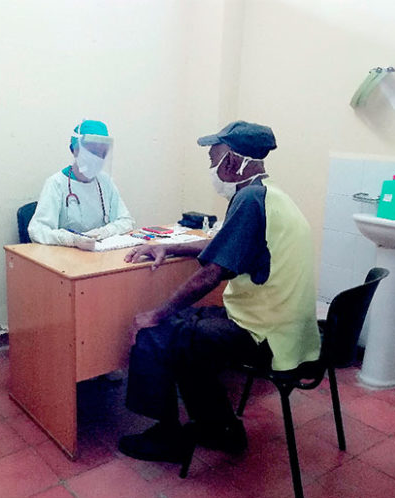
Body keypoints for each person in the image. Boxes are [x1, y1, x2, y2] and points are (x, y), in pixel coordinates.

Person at [117, 120, 320, 465]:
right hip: (287, 326)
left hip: (265, 335)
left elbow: (211, 274)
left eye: (213, 161)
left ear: (231, 162)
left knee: (158, 333)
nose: (211, 169)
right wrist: (174, 247)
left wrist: (155, 314)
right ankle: (220, 428)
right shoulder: (270, 195)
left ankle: (167, 438)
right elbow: (224, 244)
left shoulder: (250, 200)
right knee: (187, 338)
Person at [27, 119, 134, 250]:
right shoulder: (56, 183)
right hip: (65, 258)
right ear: (74, 150)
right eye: (93, 152)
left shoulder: (105, 182)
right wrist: (71, 239)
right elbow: (37, 230)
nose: (98, 158)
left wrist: (104, 232)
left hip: (100, 256)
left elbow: (126, 221)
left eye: (103, 153)